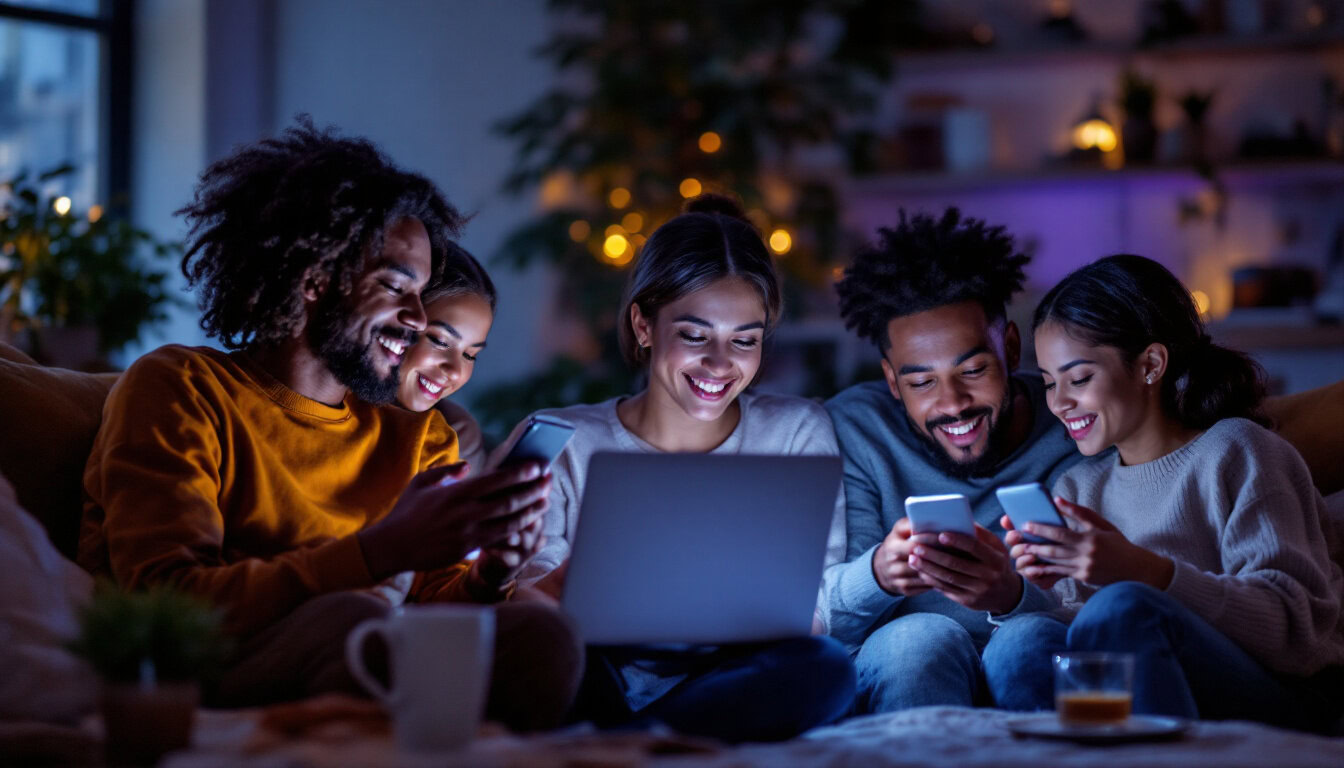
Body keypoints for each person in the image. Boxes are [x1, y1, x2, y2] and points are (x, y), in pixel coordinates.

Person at [77, 119, 582, 730]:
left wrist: (491, 570)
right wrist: (375, 552)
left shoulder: (419, 435)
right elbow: (166, 598)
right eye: (398, 287)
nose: (418, 319)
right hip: (211, 666)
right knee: (353, 623)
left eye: (422, 293)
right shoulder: (182, 387)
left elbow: (433, 602)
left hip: (365, 651)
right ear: (316, 281)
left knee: (538, 635)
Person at [504, 195, 855, 742]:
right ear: (643, 325)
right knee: (537, 656)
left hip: (730, 673)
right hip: (599, 668)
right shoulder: (562, 437)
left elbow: (816, 603)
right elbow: (524, 604)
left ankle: (625, 745)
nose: (721, 364)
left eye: (745, 340)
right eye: (694, 335)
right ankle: (652, 742)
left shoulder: (795, 430)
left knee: (825, 668)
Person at [981, 254, 1344, 731]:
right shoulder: (1078, 486)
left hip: (1283, 694)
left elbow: (1298, 631)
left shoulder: (1238, 452)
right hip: (1144, 686)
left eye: (1080, 378)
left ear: (1150, 364)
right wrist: (1019, 594)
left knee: (1123, 607)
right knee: (1020, 640)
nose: (1059, 402)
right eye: (1050, 383)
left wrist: (1139, 570)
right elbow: (1087, 638)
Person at [824, 208, 1083, 713]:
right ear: (893, 381)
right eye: (921, 382)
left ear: (1010, 347)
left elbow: (1099, 604)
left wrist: (1011, 595)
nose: (953, 403)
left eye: (973, 368)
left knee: (1028, 637)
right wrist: (877, 574)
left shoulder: (1073, 424)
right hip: (906, 658)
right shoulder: (856, 429)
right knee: (916, 638)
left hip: (1032, 645)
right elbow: (822, 621)